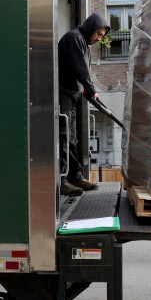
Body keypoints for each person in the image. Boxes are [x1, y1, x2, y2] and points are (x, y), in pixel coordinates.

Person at [58, 13, 110, 196]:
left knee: (72, 138)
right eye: (99, 34)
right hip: (62, 94)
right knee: (64, 137)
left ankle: (74, 176)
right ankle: (62, 180)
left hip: (72, 95)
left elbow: (81, 70)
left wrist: (86, 89)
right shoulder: (74, 38)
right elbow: (81, 68)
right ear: (91, 27)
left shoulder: (82, 42)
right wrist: (90, 87)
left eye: (102, 36)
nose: (99, 38)